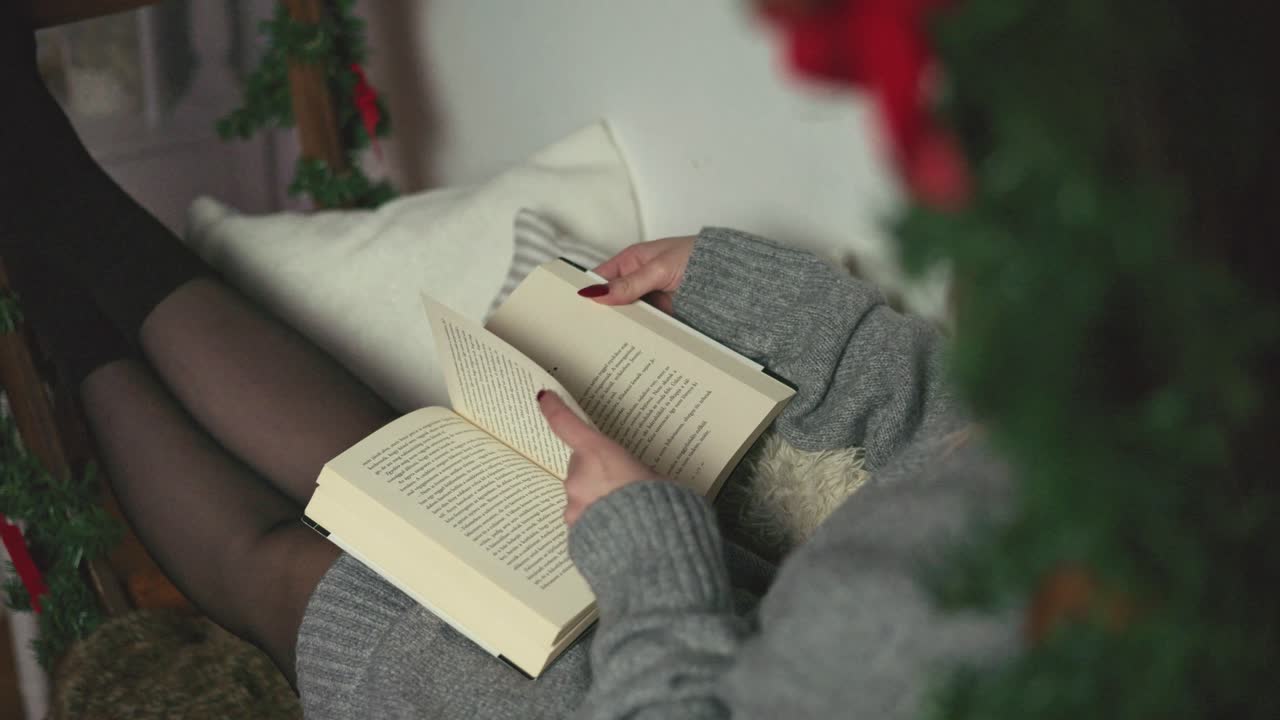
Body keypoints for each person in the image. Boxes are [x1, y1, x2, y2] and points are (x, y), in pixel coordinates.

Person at [1, 8, 1014, 720]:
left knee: (271, 567)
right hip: (652, 588)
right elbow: (951, 431)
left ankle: (36, 219)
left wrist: (649, 547)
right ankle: (40, 199)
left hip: (578, 671)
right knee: (375, 471)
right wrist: (755, 292)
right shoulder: (1117, 467)